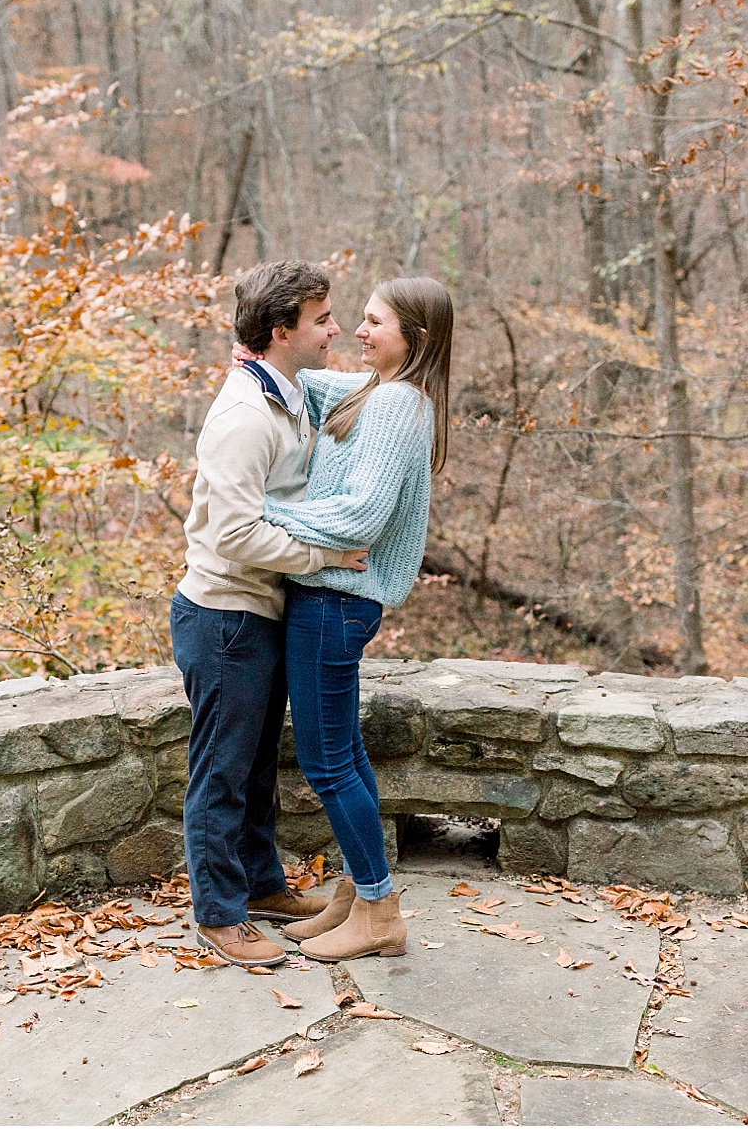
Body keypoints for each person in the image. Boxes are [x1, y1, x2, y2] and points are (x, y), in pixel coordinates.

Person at [170, 260, 371, 968]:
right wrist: (322, 556)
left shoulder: (285, 390)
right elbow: (231, 533)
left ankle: (260, 886)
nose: (336, 329)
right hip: (223, 616)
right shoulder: (245, 415)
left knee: (256, 768)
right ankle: (219, 913)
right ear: (282, 330)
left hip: (258, 610)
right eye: (322, 319)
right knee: (222, 771)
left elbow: (358, 387)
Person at [257, 275, 453, 962]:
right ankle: (357, 892)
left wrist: (261, 511)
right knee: (345, 752)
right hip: (337, 600)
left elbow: (361, 515)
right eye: (356, 319)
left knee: (328, 761)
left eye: (374, 323)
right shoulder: (379, 392)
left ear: (415, 339)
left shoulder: (398, 403)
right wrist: (258, 356)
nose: (357, 332)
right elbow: (312, 387)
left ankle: (379, 909)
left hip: (335, 600)